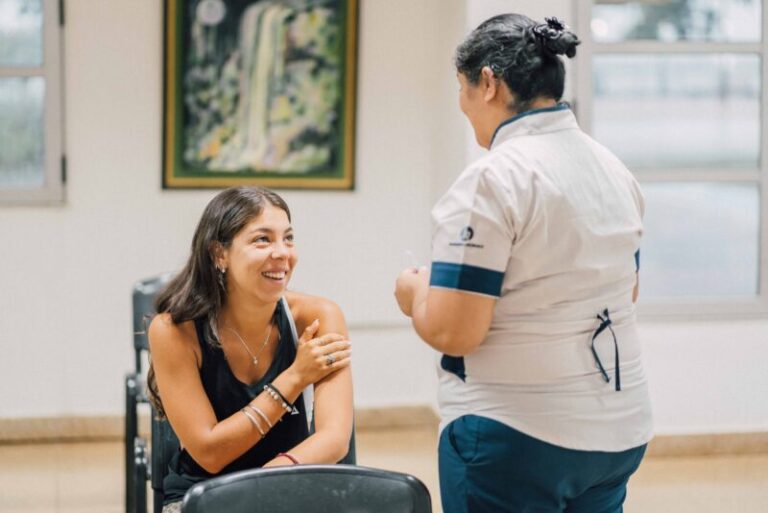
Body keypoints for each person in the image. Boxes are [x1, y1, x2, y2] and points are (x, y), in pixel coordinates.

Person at [394, 14, 652, 513]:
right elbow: (626, 289)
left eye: (462, 88)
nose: (463, 106)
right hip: (618, 431)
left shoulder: (492, 179)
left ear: (487, 82)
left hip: (517, 434)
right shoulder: (612, 169)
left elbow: (455, 333)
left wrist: (414, 294)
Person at [147, 186, 353, 513]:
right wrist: (294, 378)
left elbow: (335, 437)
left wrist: (265, 484)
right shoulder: (174, 330)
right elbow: (210, 453)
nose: (282, 252)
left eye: (288, 238)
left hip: (291, 487)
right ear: (219, 254)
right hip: (204, 495)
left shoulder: (318, 316)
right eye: (262, 239)